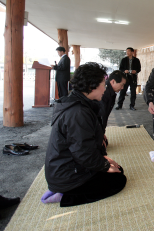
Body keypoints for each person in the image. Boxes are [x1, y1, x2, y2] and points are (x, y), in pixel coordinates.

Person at [44, 62, 126, 207]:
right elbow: (83, 152)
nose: (105, 87)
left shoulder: (80, 103)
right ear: (91, 86)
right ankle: (66, 196)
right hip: (67, 175)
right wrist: (104, 165)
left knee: (117, 170)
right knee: (118, 180)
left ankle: (67, 190)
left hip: (71, 165)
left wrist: (103, 159)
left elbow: (86, 143)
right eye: (103, 83)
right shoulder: (78, 112)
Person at [99, 70, 126, 148]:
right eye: (122, 85)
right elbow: (100, 116)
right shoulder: (103, 92)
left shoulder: (111, 92)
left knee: (104, 144)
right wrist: (99, 135)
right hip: (89, 129)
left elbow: (105, 116)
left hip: (98, 126)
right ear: (113, 81)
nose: (122, 88)